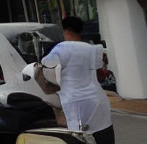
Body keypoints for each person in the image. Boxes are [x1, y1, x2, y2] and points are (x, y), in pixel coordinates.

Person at [40, 15, 114, 144]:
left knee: (79, 138)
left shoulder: (60, 50)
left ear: (65, 30)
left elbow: (47, 72)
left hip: (74, 102)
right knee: (104, 137)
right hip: (98, 101)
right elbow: (99, 74)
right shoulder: (92, 49)